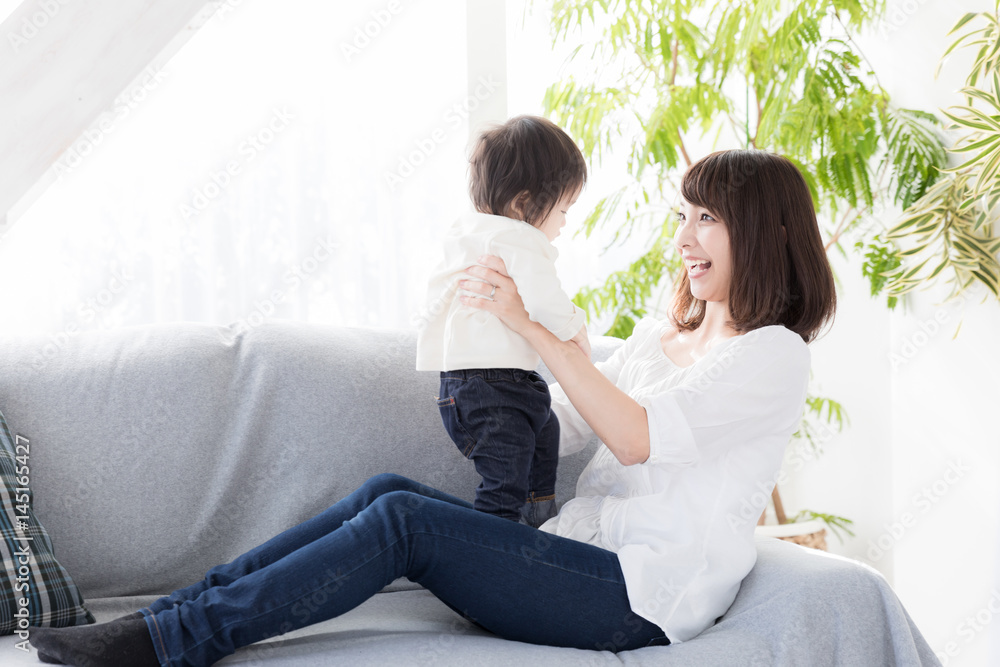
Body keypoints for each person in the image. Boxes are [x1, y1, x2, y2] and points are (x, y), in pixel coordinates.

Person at [29, 149, 836, 666]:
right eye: (684, 217)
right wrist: (485, 342)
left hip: (640, 600)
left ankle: (168, 643)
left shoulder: (772, 353)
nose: (686, 238)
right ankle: (176, 611)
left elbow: (635, 438)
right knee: (389, 492)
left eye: (707, 218)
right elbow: (577, 419)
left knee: (403, 527)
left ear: (760, 232)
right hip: (578, 555)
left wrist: (535, 325)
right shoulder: (666, 340)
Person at [416, 114, 590, 527]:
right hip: (490, 386)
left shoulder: (467, 232)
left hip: (476, 385)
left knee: (543, 431)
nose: (564, 224)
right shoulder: (517, 236)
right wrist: (576, 331)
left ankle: (535, 518)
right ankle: (500, 538)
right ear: (522, 204)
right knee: (505, 477)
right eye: (564, 210)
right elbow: (546, 301)